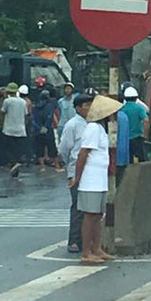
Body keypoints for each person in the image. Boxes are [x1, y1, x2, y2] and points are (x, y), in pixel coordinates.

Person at [69, 95, 121, 264]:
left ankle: (97, 249)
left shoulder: (99, 129)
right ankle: (86, 251)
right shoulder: (92, 128)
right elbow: (83, 154)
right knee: (90, 215)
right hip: (90, 179)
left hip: (99, 179)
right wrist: (77, 178)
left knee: (98, 215)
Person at [59, 94, 94, 254]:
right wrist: (71, 167)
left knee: (91, 207)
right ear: (78, 108)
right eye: (86, 105)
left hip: (92, 170)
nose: (89, 108)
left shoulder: (94, 124)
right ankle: (74, 241)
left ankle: (88, 240)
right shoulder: (72, 125)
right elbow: (64, 149)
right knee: (78, 206)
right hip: (76, 169)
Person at [1, 82, 28, 177]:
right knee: (17, 149)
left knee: (8, 149)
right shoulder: (23, 101)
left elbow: (3, 111)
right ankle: (16, 167)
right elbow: (26, 114)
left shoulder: (7, 101)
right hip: (20, 129)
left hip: (9, 128)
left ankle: (15, 163)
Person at [32, 90, 62, 173]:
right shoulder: (49, 106)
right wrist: (45, 127)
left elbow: (33, 119)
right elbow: (49, 117)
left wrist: (38, 127)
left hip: (37, 130)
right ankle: (57, 166)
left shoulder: (35, 106)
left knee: (39, 149)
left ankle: (42, 167)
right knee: (52, 148)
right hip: (48, 130)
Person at [120, 86, 149, 163]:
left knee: (129, 160)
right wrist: (144, 134)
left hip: (126, 139)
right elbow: (146, 120)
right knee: (142, 160)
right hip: (137, 137)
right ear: (136, 98)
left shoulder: (122, 109)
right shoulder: (139, 108)